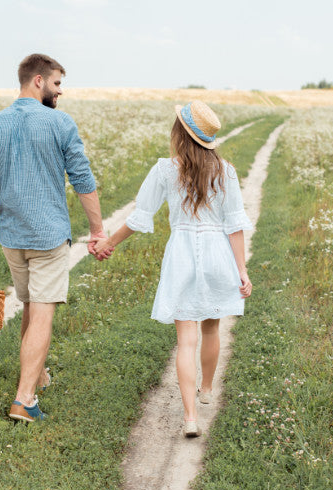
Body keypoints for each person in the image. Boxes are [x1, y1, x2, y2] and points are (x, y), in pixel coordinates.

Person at [0, 53, 111, 422]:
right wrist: (98, 231)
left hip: (12, 238)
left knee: (29, 306)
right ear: (38, 81)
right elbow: (83, 182)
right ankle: (24, 400)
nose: (60, 91)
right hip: (49, 236)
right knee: (42, 312)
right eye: (57, 83)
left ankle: (36, 374)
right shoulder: (60, 124)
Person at [93, 101, 253, 438]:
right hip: (216, 254)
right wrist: (242, 270)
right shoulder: (226, 171)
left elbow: (139, 217)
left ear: (179, 132)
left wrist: (109, 243)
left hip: (181, 253)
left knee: (185, 341)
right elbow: (235, 225)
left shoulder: (166, 169)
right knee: (211, 329)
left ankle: (190, 417)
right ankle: (206, 390)